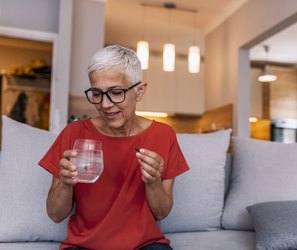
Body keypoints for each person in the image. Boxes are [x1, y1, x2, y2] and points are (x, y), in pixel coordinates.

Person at [38, 45, 189, 250]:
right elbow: (55, 214)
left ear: (140, 91)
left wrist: (153, 182)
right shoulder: (74, 134)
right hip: (84, 246)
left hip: (145, 245)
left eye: (116, 92)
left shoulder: (164, 135)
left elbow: (161, 213)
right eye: (97, 94)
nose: (105, 105)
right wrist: (65, 184)